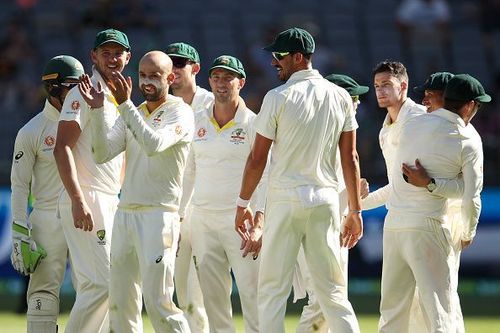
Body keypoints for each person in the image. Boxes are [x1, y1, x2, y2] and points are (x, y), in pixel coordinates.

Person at [234, 27, 362, 333]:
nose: (274, 62)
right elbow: (351, 159)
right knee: (332, 291)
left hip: (286, 198)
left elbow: (257, 159)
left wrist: (242, 203)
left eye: (279, 56)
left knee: (273, 290)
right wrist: (355, 212)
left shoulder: (278, 97)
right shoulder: (341, 96)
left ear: (298, 57)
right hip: (325, 200)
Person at [80, 50, 193, 333]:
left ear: (171, 77)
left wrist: (125, 104)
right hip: (126, 213)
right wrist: (96, 111)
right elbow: (102, 152)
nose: (147, 82)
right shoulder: (135, 111)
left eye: (155, 76)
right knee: (121, 302)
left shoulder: (180, 111)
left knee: (159, 302)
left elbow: (153, 145)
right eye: (143, 75)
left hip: (159, 216)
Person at [379, 74, 488, 332]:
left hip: (394, 226)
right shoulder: (467, 138)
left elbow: (400, 181)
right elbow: (472, 194)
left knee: (393, 314)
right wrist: (469, 231)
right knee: (440, 312)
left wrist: (431, 182)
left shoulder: (412, 125)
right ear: (470, 105)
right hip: (429, 227)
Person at [180, 55, 264, 333]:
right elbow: (189, 172)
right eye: (216, 78)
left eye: (228, 78)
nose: (221, 84)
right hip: (203, 220)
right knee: (213, 299)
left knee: (253, 295)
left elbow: (266, 178)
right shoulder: (196, 120)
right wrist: (180, 215)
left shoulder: (254, 124)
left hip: (241, 222)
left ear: (241, 82)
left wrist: (260, 225)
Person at [53, 29, 130, 333]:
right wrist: (78, 200)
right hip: (87, 197)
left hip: (110, 198)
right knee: (103, 284)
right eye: (106, 52)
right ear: (93, 56)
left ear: (128, 57)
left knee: (98, 288)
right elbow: (62, 148)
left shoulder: (118, 95)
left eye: (118, 53)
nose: (112, 58)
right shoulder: (82, 93)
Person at [10, 55, 84, 332]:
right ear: (54, 87)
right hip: (47, 218)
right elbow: (19, 185)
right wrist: (19, 231)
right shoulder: (32, 130)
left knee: (94, 291)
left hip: (83, 217)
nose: (79, 92)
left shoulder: (88, 120)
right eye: (72, 86)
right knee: (42, 296)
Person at [295, 73, 370, 333]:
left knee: (326, 300)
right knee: (324, 299)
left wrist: (354, 198)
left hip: (337, 229)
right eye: (352, 97)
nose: (357, 102)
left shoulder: (340, 135)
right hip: (314, 226)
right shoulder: (313, 137)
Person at [411, 71, 466, 333]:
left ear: (447, 98)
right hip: (429, 221)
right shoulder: (429, 128)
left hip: (444, 224)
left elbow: (468, 190)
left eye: (430, 95)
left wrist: (467, 228)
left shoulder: (461, 133)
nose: (424, 101)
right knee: (426, 301)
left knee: (441, 301)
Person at [166, 41, 213, 333]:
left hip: (210, 208)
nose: (173, 71)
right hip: (174, 207)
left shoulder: (214, 102)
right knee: (182, 294)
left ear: (195, 68)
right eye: (168, 65)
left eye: (179, 64)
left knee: (213, 294)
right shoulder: (162, 105)